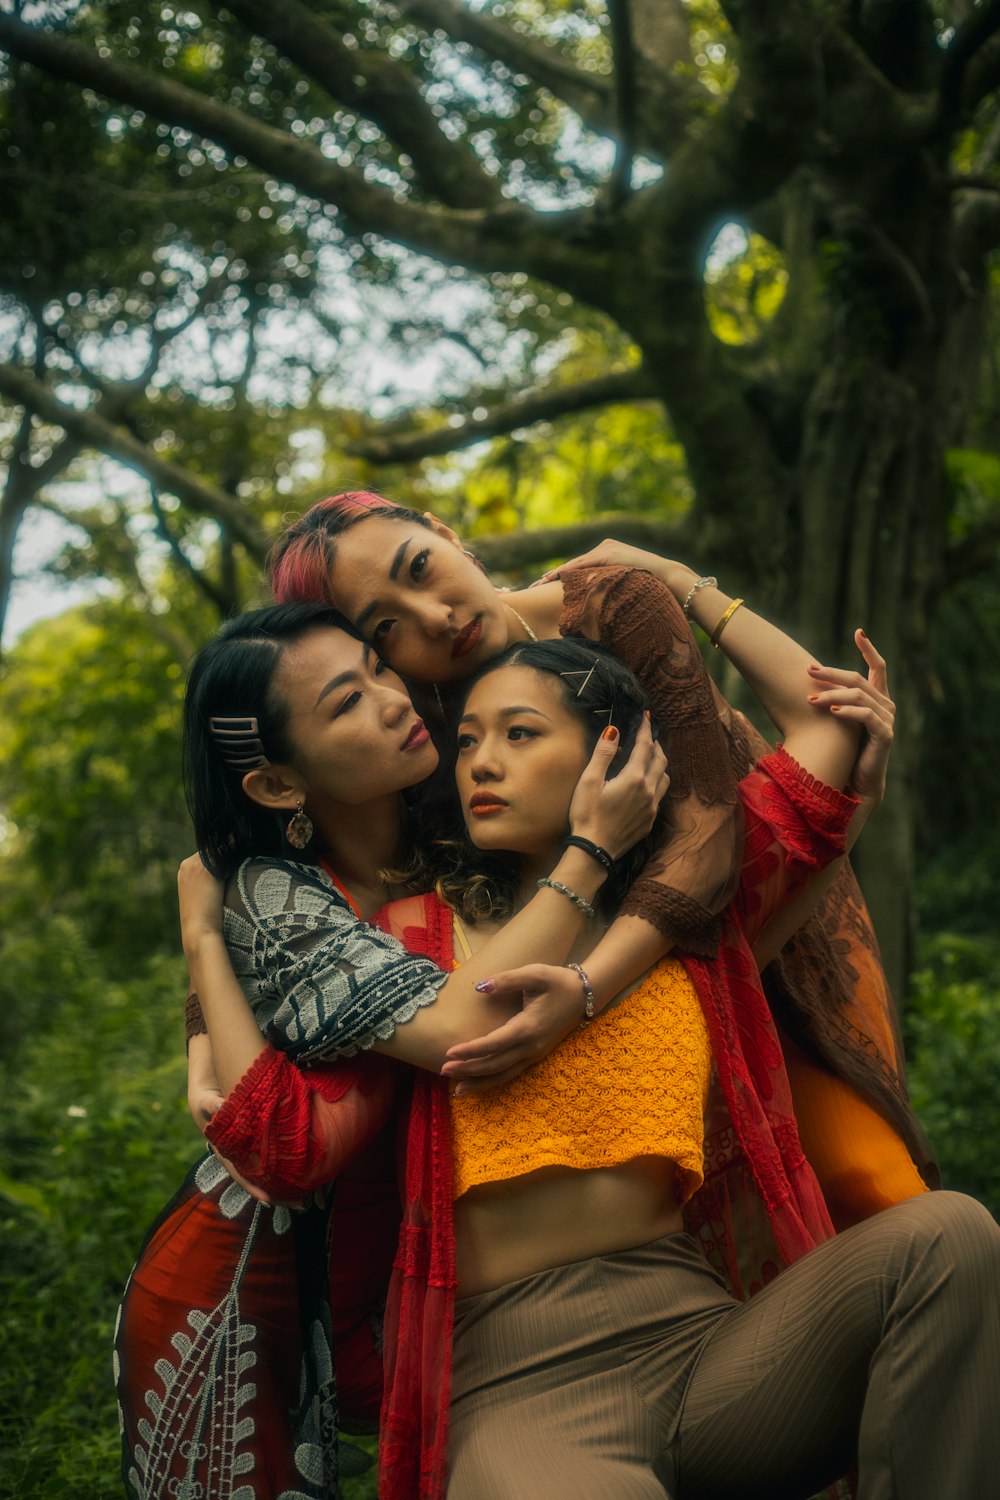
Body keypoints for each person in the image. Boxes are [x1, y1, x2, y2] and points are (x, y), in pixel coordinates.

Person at [177, 626, 998, 1500]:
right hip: (519, 1386)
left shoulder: (673, 924)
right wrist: (202, 940)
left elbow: (812, 793)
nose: (480, 762)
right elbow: (282, 1140)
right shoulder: (408, 940)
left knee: (949, 1237)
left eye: (520, 734)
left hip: (706, 1345)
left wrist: (677, 587)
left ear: (621, 756)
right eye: (468, 742)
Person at [116, 602, 667, 1500]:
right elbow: (458, 1028)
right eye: (346, 703)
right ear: (278, 787)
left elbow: (534, 615)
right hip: (239, 1283)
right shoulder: (275, 896)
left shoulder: (458, 812)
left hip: (392, 1270)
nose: (393, 696)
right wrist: (204, 942)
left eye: (377, 666)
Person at [266, 493, 935, 1226]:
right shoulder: (419, 728)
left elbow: (708, 836)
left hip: (755, 899)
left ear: (446, 535)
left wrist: (685, 584)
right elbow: (306, 847)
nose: (436, 618)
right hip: (599, 1000)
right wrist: (208, 1011)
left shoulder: (614, 604)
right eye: (386, 626)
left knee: (872, 1190)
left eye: (420, 567)